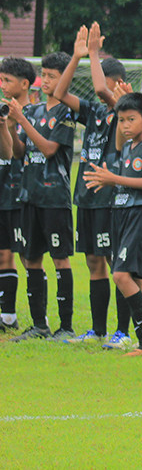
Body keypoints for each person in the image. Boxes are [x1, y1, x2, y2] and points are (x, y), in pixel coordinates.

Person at [51, 24, 129, 344]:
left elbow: (100, 90)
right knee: (94, 262)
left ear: (118, 85)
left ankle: (122, 331)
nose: (101, 86)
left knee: (115, 264)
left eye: (106, 81)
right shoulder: (94, 113)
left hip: (111, 197)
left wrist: (94, 54)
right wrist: (77, 57)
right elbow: (60, 94)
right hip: (86, 196)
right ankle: (98, 331)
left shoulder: (124, 109)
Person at [82, 91, 142, 359]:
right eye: (121, 120)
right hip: (120, 212)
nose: (125, 125)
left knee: (120, 275)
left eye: (131, 119)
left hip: (141, 214)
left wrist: (114, 179)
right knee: (132, 277)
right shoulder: (128, 146)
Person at [7, 52, 76, 341]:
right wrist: (9, 126)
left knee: (60, 259)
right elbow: (19, 152)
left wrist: (22, 118)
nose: (45, 81)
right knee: (30, 258)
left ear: (64, 79)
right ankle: (39, 325)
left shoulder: (66, 113)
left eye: (51, 76)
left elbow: (49, 149)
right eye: (43, 75)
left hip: (54, 197)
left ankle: (66, 326)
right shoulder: (33, 112)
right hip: (29, 195)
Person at [0, 57, 34, 334]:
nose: (2, 85)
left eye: (7, 80)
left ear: (24, 84)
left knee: (26, 255)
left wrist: (12, 123)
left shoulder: (33, 113)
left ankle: (41, 320)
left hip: (23, 192)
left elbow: (18, 152)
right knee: (3, 255)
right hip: (3, 191)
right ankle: (8, 317)